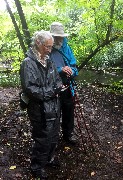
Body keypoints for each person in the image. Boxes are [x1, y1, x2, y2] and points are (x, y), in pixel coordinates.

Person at [20, 30, 63, 179]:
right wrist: (52, 91)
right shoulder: (28, 63)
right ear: (38, 43)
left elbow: (58, 81)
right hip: (39, 109)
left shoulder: (49, 60)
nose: (50, 50)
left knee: (54, 135)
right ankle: (37, 166)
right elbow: (31, 89)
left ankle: (49, 159)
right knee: (42, 138)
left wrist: (54, 89)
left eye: (51, 47)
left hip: (55, 106)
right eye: (47, 46)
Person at [50, 22, 78, 145]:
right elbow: (44, 69)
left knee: (68, 111)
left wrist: (72, 71)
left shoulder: (67, 47)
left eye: (60, 36)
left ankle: (68, 134)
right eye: (56, 37)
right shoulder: (46, 48)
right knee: (54, 113)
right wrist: (60, 69)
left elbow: (74, 66)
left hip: (67, 85)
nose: (58, 39)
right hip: (52, 87)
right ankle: (53, 139)